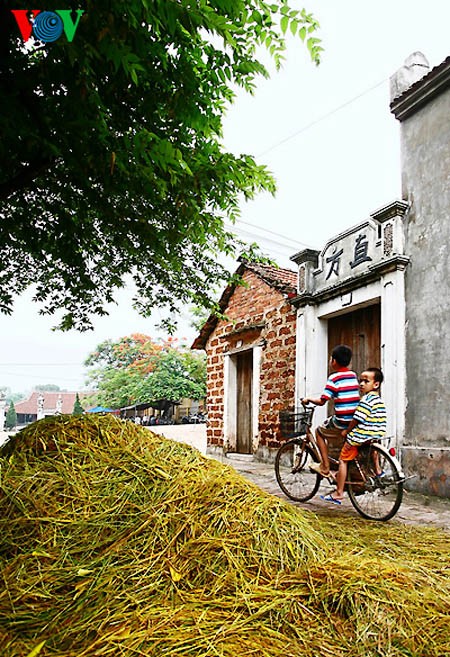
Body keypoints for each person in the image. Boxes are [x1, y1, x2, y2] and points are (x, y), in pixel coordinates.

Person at [321, 367, 387, 505]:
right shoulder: (378, 400)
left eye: (366, 381)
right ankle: (378, 471)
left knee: (343, 460)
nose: (361, 384)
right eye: (360, 381)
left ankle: (338, 493)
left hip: (361, 436)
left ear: (376, 384)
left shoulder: (365, 400)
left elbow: (357, 419)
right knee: (373, 452)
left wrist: (347, 431)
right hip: (376, 435)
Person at [302, 344, 360, 477]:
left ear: (333, 361)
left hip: (342, 421)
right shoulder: (353, 375)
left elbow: (322, 401)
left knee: (319, 432)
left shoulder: (333, 378)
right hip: (354, 419)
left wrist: (309, 399)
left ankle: (325, 466)